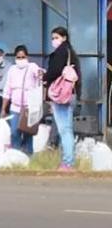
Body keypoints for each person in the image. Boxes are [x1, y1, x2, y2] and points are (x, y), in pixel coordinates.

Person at [44, 26, 81, 171]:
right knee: (67, 129)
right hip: (71, 94)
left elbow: (54, 71)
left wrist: (44, 77)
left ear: (64, 37)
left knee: (65, 130)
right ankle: (67, 160)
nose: (54, 41)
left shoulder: (60, 53)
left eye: (56, 37)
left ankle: (68, 162)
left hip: (62, 96)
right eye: (53, 38)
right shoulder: (71, 53)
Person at [0, 45, 42, 155]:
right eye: (18, 57)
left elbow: (40, 73)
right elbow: (7, 90)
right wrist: (3, 109)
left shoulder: (32, 67)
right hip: (15, 107)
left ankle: (28, 156)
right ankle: (15, 155)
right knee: (14, 132)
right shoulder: (12, 70)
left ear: (27, 57)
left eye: (23, 57)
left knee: (28, 133)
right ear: (15, 58)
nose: (21, 59)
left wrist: (40, 74)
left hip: (29, 108)